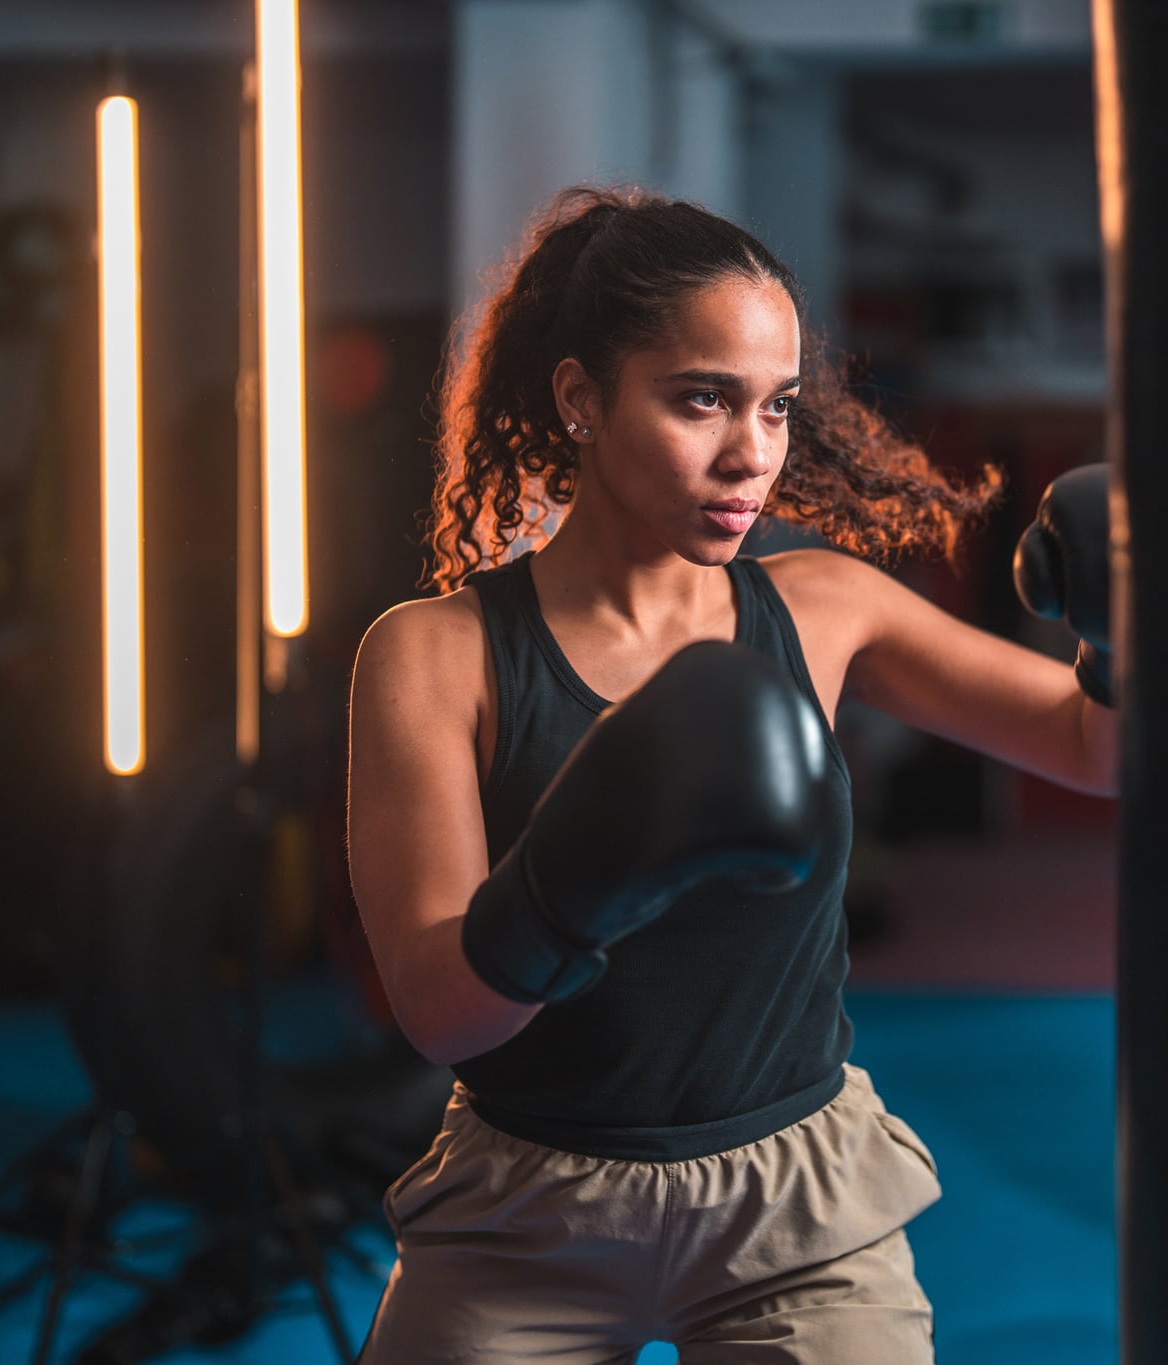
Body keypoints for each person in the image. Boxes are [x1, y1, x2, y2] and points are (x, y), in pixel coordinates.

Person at [346, 184, 1119, 1364]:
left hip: (796, 1209)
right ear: (578, 398)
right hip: (526, 1215)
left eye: (774, 406)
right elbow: (441, 1016)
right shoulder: (434, 657)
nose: (751, 454)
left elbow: (1089, 752)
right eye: (701, 399)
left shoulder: (822, 611)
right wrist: (582, 865)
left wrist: (1118, 646)